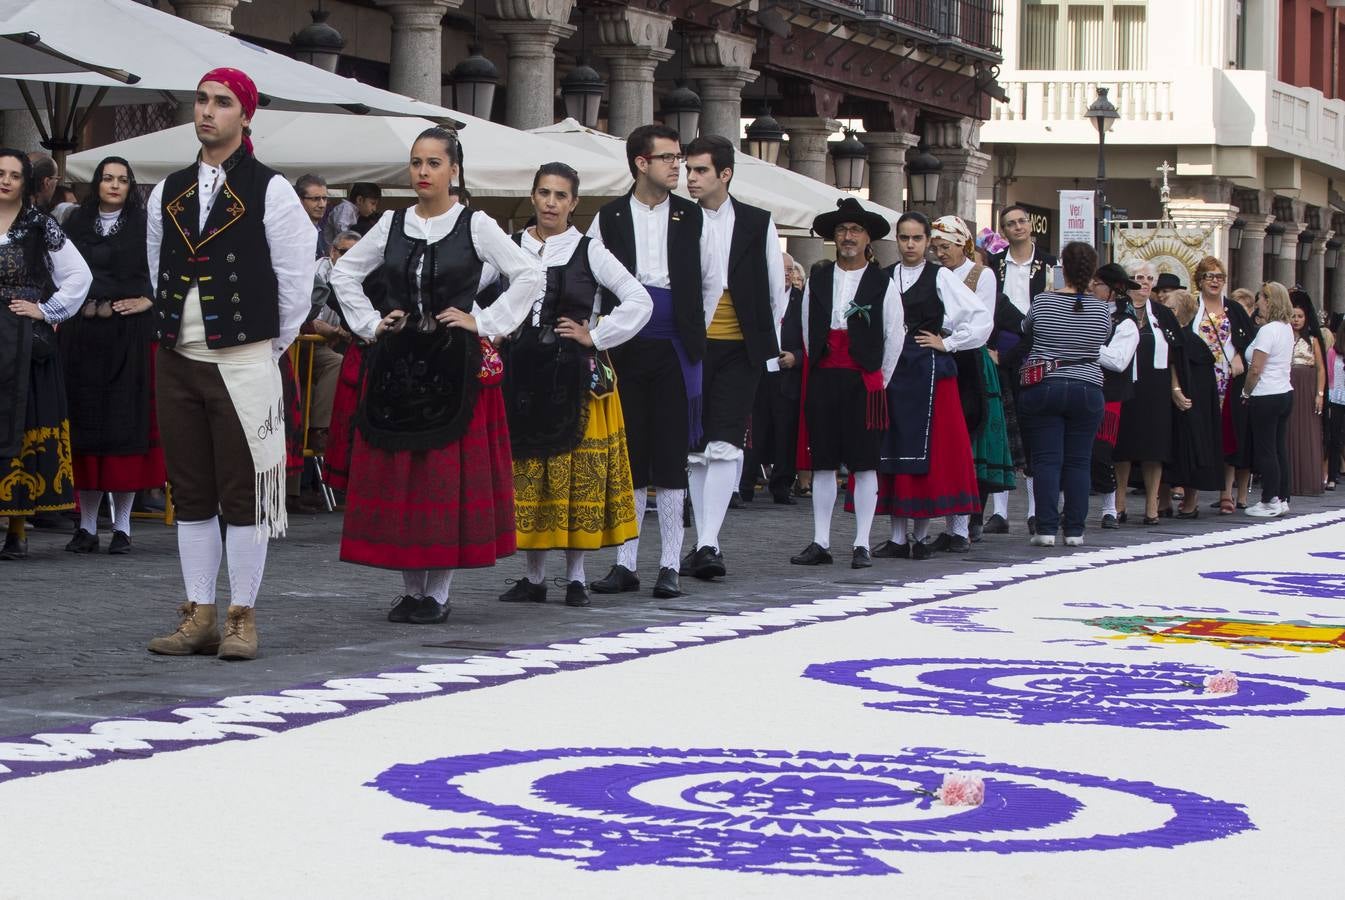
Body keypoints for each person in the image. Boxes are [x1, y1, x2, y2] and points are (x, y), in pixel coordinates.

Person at [331, 126, 543, 625]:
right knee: (405, 476)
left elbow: (530, 274)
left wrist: (484, 322)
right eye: (416, 163)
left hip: (454, 365)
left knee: (443, 479)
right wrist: (368, 324)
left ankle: (438, 593)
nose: (423, 172)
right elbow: (344, 272)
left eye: (433, 163)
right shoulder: (391, 223)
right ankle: (411, 590)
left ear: (454, 170)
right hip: (400, 365)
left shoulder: (475, 224)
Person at [144, 69, 317, 660]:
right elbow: (155, 265)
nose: (207, 111)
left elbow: (296, 279)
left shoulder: (271, 189)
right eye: (200, 100)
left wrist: (267, 347)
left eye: (221, 103)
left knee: (243, 496)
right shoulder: (167, 190)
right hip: (178, 357)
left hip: (243, 357)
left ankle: (242, 615)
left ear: (245, 116)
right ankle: (199, 615)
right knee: (190, 491)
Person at [496, 162, 651, 608]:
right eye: (544, 193)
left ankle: (577, 577)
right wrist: (490, 324)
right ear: (533, 196)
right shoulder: (510, 246)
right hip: (523, 373)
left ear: (574, 203)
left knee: (573, 473)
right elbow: (473, 290)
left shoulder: (588, 249)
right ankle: (533, 577)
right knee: (532, 475)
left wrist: (596, 334)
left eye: (560, 196)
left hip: (574, 375)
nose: (550, 202)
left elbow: (638, 298)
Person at [586, 123, 716, 600]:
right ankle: (625, 563)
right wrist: (598, 335)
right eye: (668, 158)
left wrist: (691, 327)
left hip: (676, 342)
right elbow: (596, 282)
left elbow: (710, 280)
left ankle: (669, 565)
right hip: (624, 340)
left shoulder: (693, 216)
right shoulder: (609, 216)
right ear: (642, 163)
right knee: (630, 453)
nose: (677, 165)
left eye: (679, 158)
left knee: (671, 454)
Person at [680, 135, 786, 580]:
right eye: (688, 169)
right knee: (695, 446)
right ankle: (706, 543)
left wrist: (768, 347)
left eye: (700, 170)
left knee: (725, 442)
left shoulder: (758, 221)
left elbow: (775, 286)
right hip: (691, 343)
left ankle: (708, 541)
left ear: (724, 174)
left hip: (741, 345)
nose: (691, 177)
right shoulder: (677, 219)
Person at [790, 198, 903, 569]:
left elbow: (893, 334)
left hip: (863, 381)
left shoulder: (882, 282)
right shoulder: (819, 278)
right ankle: (820, 540)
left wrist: (878, 378)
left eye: (855, 230)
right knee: (821, 461)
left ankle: (861, 543)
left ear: (867, 237)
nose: (848, 236)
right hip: (825, 376)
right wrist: (821, 363)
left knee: (864, 462)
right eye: (841, 230)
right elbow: (808, 331)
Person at [59, 156, 163, 555]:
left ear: (130, 185)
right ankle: (85, 526)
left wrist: (149, 301)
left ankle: (122, 527)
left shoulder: (144, 224)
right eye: (107, 178)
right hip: (82, 335)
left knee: (123, 427)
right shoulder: (75, 223)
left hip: (127, 336)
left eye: (122, 179)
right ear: (97, 183)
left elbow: (166, 271)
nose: (114, 185)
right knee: (84, 428)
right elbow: (59, 271)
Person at [871, 213, 989, 558]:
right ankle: (896, 537)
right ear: (896, 239)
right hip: (892, 368)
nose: (909, 245)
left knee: (927, 450)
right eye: (904, 238)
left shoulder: (941, 277)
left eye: (917, 239)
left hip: (928, 369)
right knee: (892, 446)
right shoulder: (885, 276)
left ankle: (920, 537)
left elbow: (980, 317)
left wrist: (948, 343)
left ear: (927, 242)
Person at [0, 149, 92, 560]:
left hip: (22, 340)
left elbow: (79, 274)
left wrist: (45, 309)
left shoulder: (39, 225)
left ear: (26, 183)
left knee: (22, 429)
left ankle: (17, 529)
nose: (5, 181)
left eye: (14, 175)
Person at [1016, 241, 1112, 547]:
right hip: (1087, 385)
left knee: (1046, 460)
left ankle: (1045, 528)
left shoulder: (1044, 301)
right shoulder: (1100, 308)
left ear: (1062, 269)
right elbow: (1102, 338)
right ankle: (1074, 530)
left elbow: (1025, 327)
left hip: (1046, 384)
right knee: (1078, 462)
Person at [929, 214, 1012, 545]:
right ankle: (956, 517)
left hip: (971, 359)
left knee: (975, 435)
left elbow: (982, 320)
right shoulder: (935, 274)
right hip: (943, 357)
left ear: (962, 243)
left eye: (945, 246)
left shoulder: (982, 275)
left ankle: (972, 514)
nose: (940, 253)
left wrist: (947, 330)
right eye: (935, 247)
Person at [987, 204, 1057, 534]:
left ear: (1030, 225)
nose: (1018, 227)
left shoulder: (1049, 264)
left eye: (1021, 221)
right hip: (1003, 347)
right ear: (1003, 231)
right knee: (1002, 426)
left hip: (1037, 348)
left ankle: (1033, 509)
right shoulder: (995, 265)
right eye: (1010, 224)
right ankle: (998, 512)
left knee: (1033, 430)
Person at [1184, 256, 1255, 515]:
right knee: (1198, 436)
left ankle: (1227, 492)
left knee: (1228, 435)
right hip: (1200, 380)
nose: (1215, 281)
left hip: (1229, 381)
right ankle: (1190, 496)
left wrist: (1240, 355)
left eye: (1220, 277)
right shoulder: (1193, 307)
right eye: (1209, 276)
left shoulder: (1233, 309)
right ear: (1199, 280)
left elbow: (1250, 341)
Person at [1112, 260, 1181, 525]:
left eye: (1149, 278)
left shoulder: (1163, 315)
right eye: (1138, 277)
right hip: (1124, 383)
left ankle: (1152, 502)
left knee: (1155, 446)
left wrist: (1175, 388)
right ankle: (1119, 500)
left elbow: (1176, 354)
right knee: (1123, 444)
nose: (1144, 282)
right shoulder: (1117, 311)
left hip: (1156, 387)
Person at [740, 252, 803, 505]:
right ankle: (745, 484)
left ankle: (781, 485)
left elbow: (812, 337)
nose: (786, 274)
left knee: (786, 431)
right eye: (781, 269)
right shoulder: (758, 299)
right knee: (755, 430)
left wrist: (797, 357)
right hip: (759, 372)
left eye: (790, 270)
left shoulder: (803, 300)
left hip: (788, 374)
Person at [1163, 289, 1225, 514]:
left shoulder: (1191, 342)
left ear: (1179, 312)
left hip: (1191, 405)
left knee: (1191, 447)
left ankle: (1190, 500)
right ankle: (1163, 500)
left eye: (1169, 308)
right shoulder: (1173, 337)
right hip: (1171, 404)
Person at [1089, 263, 1140, 529]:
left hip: (1109, 393)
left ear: (1113, 289)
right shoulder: (1086, 311)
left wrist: (1086, 344)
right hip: (1085, 386)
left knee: (1101, 452)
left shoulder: (1125, 322)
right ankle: (1072, 507)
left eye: (1097, 283)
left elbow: (1119, 361)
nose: (1091, 287)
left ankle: (1110, 508)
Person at [1242, 282, 1295, 516]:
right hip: (1284, 391)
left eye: (1261, 298)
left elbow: (1256, 368)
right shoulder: (1286, 328)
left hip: (1266, 393)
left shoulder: (1268, 330)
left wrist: (1245, 392)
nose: (1258, 303)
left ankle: (1269, 498)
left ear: (1269, 301)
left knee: (1266, 449)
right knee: (1279, 448)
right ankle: (1282, 497)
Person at [1287, 290, 1326, 498]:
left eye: (1300, 316)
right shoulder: (1284, 336)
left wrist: (1319, 393)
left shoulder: (1312, 340)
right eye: (1293, 316)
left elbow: (1321, 368)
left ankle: (1308, 480)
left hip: (1308, 386)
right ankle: (1291, 481)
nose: (1296, 320)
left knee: (1308, 431)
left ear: (1306, 318)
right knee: (1289, 431)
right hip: (1288, 385)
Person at [1324, 317, 1345, 490]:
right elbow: (1329, 376)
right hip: (1336, 398)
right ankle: (1331, 476)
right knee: (1334, 438)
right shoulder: (1333, 352)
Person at [294, 173, 330, 258]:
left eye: (324, 198)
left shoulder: (319, 230)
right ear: (299, 200)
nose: (322, 205)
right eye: (315, 199)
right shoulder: (293, 234)